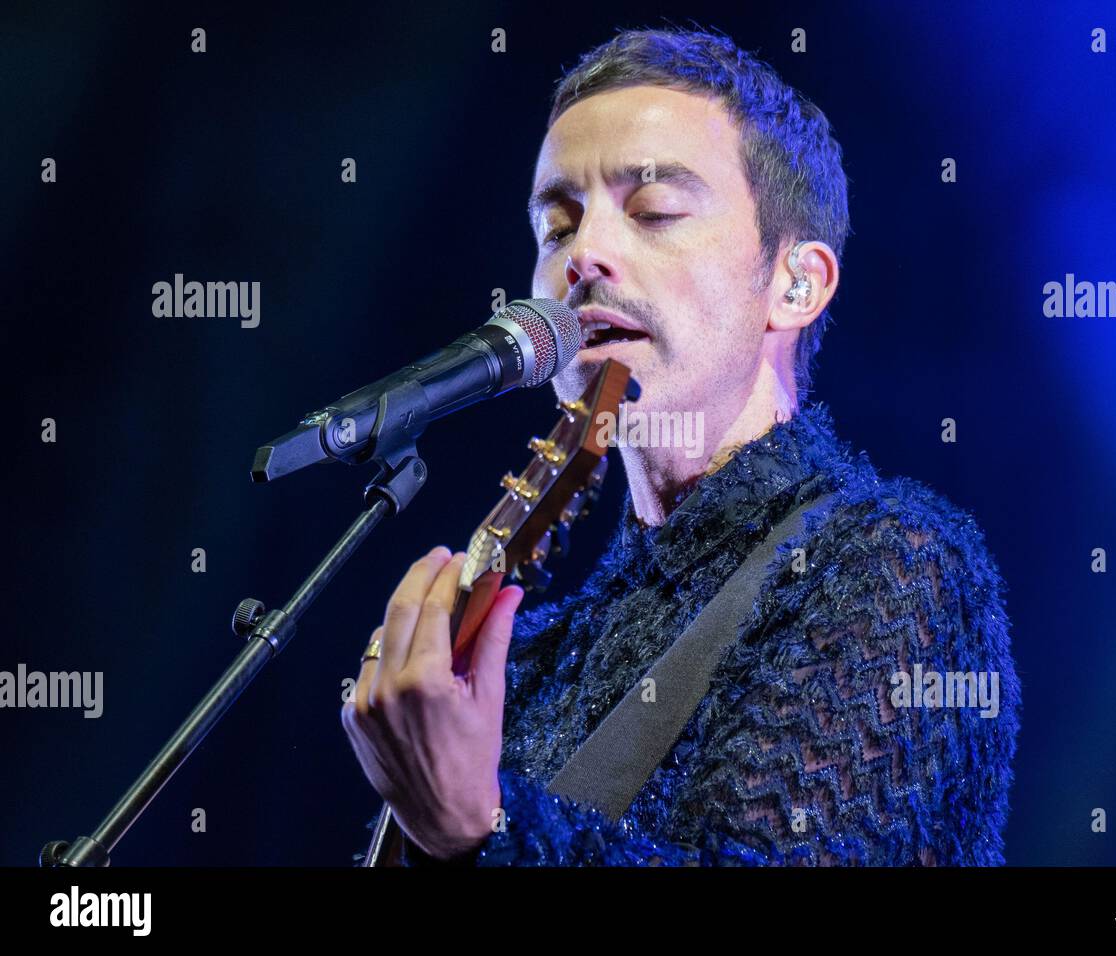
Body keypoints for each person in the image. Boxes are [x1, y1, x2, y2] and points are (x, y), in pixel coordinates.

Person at [342, 26, 1020, 866]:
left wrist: (481, 827)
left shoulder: (893, 567)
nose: (583, 256)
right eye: (556, 228)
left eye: (654, 211)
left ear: (794, 283)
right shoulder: (537, 651)